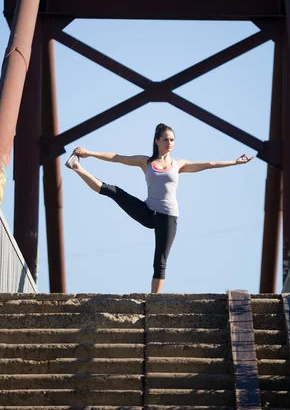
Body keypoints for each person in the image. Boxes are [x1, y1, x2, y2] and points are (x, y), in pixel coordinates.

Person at [65, 123, 253, 293]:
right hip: (148, 212)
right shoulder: (146, 162)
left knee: (160, 261)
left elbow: (209, 165)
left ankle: (154, 300)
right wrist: (90, 153)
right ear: (157, 141)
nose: (169, 143)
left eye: (172, 140)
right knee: (114, 192)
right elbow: (117, 158)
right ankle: (76, 167)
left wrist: (234, 162)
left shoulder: (179, 164)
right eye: (165, 139)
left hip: (168, 217)